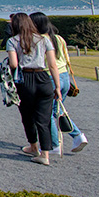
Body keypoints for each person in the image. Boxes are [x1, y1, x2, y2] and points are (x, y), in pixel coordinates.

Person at [6, 13, 60, 166]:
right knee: (44, 119)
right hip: (43, 78)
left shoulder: (13, 41)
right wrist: (57, 86)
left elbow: (14, 64)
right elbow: (52, 64)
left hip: (26, 80)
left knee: (27, 116)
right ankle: (45, 154)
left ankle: (33, 146)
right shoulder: (44, 40)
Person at [31, 12, 88, 154]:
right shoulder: (58, 38)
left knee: (47, 112)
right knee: (58, 109)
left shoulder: (40, 40)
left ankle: (54, 144)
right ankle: (78, 136)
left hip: (50, 76)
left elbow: (46, 63)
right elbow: (66, 58)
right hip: (64, 76)